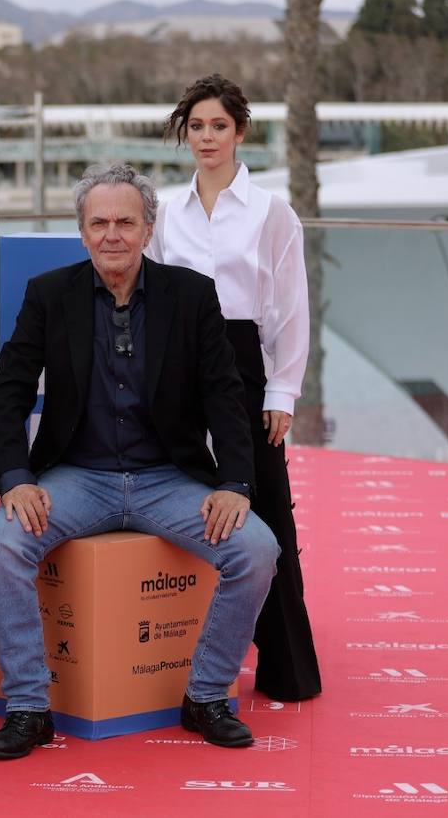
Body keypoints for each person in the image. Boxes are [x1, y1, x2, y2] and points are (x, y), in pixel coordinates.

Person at [0, 163, 280, 759]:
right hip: (78, 478)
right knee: (2, 540)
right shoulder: (50, 295)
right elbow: (9, 389)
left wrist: (236, 483)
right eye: (99, 223)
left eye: (125, 222)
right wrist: (14, 477)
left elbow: (224, 395)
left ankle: (207, 695)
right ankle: (28, 707)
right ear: (83, 231)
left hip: (168, 479)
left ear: (148, 228)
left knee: (257, 548)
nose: (111, 234)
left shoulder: (190, 295)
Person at [150, 74, 321, 702]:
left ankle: (287, 667)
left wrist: (282, 393)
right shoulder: (166, 210)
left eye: (218, 125)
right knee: (181, 497)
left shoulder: (272, 210)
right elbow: (157, 298)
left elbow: (288, 308)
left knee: (268, 508)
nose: (206, 137)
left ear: (240, 131)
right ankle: (172, 655)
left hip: (246, 365)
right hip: (181, 365)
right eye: (196, 126)